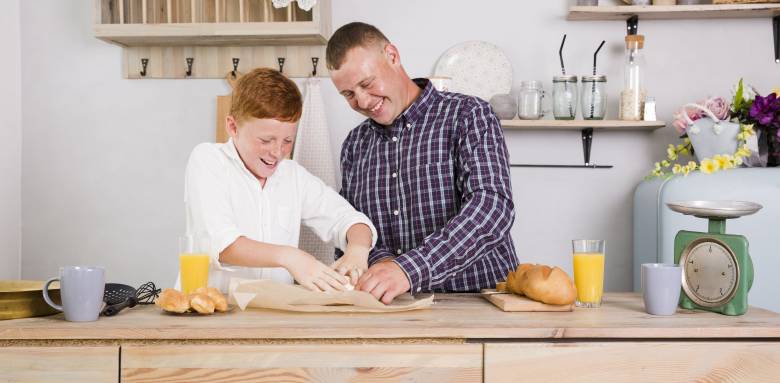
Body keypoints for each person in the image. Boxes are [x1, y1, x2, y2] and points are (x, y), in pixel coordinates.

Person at [327, 22, 519, 304]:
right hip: (394, 308)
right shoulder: (355, 144)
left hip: (478, 301)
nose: (363, 101)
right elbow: (350, 225)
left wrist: (407, 269)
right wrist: (382, 267)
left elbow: (491, 208)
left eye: (367, 84)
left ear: (392, 56)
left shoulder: (468, 115)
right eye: (348, 94)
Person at [184, 67, 377, 293]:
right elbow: (222, 245)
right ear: (233, 127)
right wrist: (291, 258)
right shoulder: (208, 160)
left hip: (274, 316)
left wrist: (357, 249)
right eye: (266, 140)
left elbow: (349, 219)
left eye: (287, 140)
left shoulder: (292, 175)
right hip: (213, 313)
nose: (277, 152)